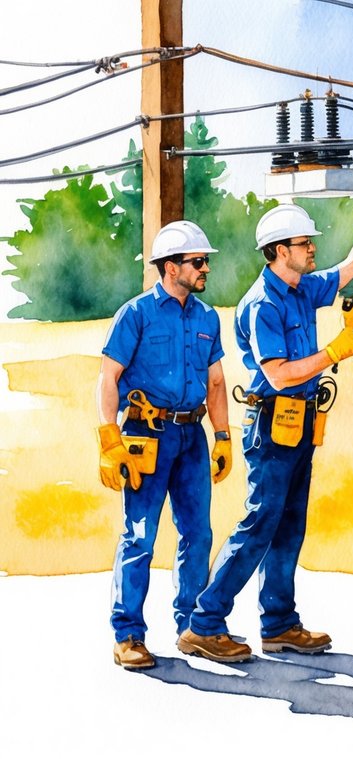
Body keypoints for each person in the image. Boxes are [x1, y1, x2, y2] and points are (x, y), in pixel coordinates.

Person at [177, 201, 353, 662]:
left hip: (302, 421)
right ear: (277, 251)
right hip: (273, 422)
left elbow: (351, 264)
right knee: (259, 524)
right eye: (303, 243)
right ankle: (204, 623)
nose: (312, 248)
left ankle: (279, 624)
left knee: (290, 525)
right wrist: (335, 351)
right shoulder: (263, 304)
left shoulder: (301, 289)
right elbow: (278, 375)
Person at [96, 221, 231, 670]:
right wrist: (108, 437)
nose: (205, 268)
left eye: (205, 261)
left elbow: (215, 382)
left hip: (192, 437)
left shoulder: (207, 317)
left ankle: (193, 628)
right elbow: (108, 378)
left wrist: (223, 436)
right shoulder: (135, 314)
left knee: (198, 534)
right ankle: (128, 634)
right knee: (140, 536)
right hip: (145, 437)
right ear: (171, 267)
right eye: (198, 261)